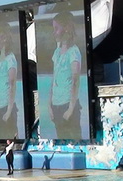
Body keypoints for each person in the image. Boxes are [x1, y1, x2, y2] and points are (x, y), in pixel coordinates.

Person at [49, 11, 82, 139]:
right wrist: (49, 105)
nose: (54, 32)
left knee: (73, 139)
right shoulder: (57, 52)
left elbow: (75, 81)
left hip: (68, 106)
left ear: (67, 28)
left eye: (56, 28)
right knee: (60, 139)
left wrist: (71, 108)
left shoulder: (74, 52)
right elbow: (54, 79)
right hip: (56, 106)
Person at [0, 22, 18, 138]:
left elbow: (12, 86)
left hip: (6, 108)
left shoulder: (10, 59)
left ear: (4, 38)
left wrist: (9, 110)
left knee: (11, 137)